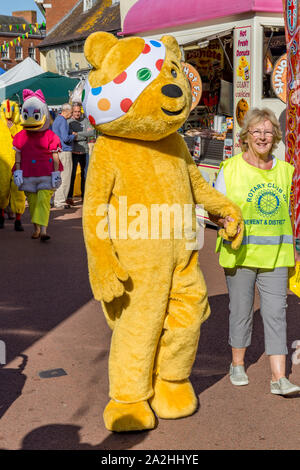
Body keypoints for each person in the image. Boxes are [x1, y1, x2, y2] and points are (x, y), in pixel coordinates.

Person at [209, 107, 300, 396]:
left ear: (275, 137)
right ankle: (237, 364)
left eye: (268, 131)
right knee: (241, 311)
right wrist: (225, 221)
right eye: (257, 131)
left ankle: (278, 377)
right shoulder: (231, 168)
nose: (262, 136)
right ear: (246, 135)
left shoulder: (286, 171)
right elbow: (214, 210)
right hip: (241, 255)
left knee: (276, 313)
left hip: (275, 256)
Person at [12, 89, 63, 241]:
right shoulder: (21, 136)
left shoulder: (50, 135)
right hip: (28, 174)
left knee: (43, 200)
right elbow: (18, 153)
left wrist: (55, 172)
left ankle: (44, 231)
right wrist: (18, 170)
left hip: (46, 174)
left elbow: (55, 154)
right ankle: (36, 228)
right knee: (33, 202)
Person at [66, 103, 95, 205]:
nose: (77, 113)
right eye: (75, 111)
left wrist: (77, 135)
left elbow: (91, 133)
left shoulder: (85, 121)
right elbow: (69, 136)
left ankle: (84, 197)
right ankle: (69, 197)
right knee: (72, 175)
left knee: (85, 175)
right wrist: (83, 135)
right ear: (72, 112)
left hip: (84, 151)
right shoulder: (68, 122)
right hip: (73, 152)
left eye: (79, 111)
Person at [51, 103, 76, 209]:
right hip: (64, 151)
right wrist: (73, 136)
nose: (71, 115)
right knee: (65, 177)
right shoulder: (63, 121)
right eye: (71, 113)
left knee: (58, 176)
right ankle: (60, 201)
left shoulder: (57, 120)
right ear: (65, 111)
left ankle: (55, 199)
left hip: (57, 151)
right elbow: (65, 138)